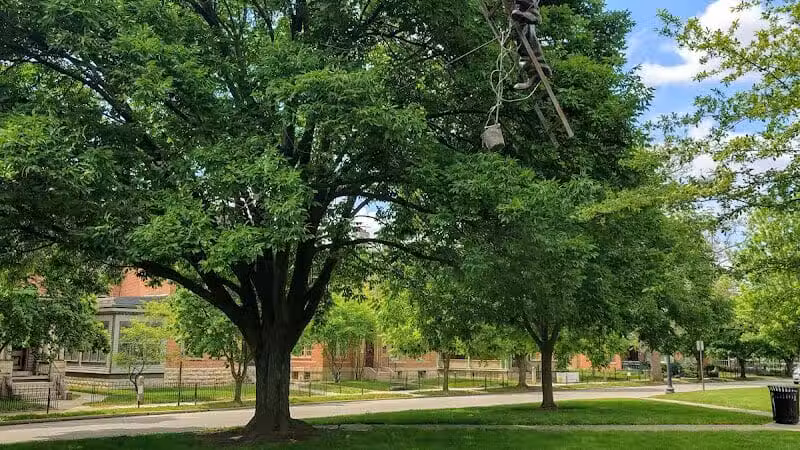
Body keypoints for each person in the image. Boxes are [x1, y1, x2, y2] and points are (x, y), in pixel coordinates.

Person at [511, 0, 552, 90]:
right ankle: (534, 71)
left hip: (527, 8)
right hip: (522, 11)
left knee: (523, 30)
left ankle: (533, 12)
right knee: (522, 34)